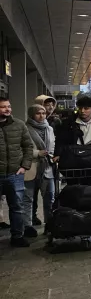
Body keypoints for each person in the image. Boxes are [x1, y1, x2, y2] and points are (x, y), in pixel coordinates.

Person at [0, 96, 35, 247]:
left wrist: (24, 166)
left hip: (15, 174)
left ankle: (17, 236)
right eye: (3, 107)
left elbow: (28, 147)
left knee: (17, 207)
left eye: (8, 106)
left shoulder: (19, 125)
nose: (7, 109)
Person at [54, 95, 91, 166]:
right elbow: (61, 140)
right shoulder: (68, 123)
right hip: (73, 157)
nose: (82, 111)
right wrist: (58, 154)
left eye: (86, 108)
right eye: (80, 108)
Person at [23, 104, 54, 229]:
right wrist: (37, 153)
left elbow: (52, 146)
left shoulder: (49, 129)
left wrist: (51, 155)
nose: (41, 116)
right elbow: (21, 149)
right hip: (30, 168)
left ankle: (50, 225)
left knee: (49, 198)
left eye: (43, 113)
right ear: (32, 114)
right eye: (38, 113)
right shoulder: (25, 128)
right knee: (28, 199)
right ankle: (27, 226)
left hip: (47, 168)